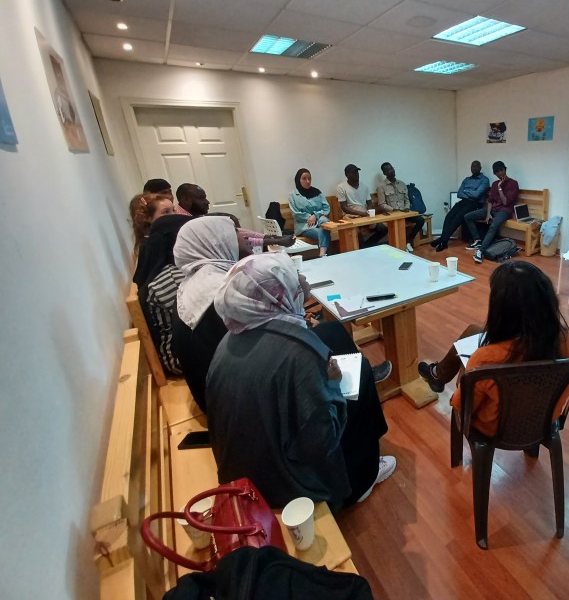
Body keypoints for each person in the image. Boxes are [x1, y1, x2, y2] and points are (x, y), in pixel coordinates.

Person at [207, 253, 396, 510]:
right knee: (360, 374)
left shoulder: (232, 335)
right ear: (277, 294)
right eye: (295, 276)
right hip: (288, 486)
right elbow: (321, 441)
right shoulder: (300, 353)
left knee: (334, 335)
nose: (303, 278)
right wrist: (332, 383)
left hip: (248, 467)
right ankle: (362, 479)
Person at [417, 261, 569, 436]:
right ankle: (438, 375)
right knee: (474, 330)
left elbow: (462, 406)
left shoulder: (486, 358)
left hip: (495, 427)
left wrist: (463, 381)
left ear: (502, 310)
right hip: (545, 418)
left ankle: (438, 375)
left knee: (469, 366)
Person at [170, 216, 240, 411]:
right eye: (234, 233)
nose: (242, 238)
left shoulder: (197, 282)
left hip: (209, 393)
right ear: (216, 242)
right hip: (229, 405)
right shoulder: (222, 292)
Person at [132, 214, 193, 376]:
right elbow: (198, 325)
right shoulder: (173, 280)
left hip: (182, 352)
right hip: (180, 360)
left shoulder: (168, 270)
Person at [463, 161, 519, 264]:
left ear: (505, 169)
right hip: (493, 210)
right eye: (497, 172)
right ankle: (478, 240)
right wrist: (488, 213)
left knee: (493, 225)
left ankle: (480, 251)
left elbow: (505, 202)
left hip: (504, 211)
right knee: (468, 216)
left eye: (501, 170)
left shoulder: (513, 184)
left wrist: (500, 188)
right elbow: (490, 201)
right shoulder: (494, 184)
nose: (500, 173)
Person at [430, 160, 490, 251]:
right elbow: (459, 193)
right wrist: (471, 192)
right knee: (449, 216)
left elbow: (477, 195)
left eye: (476, 166)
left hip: (475, 204)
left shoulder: (484, 180)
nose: (474, 168)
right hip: (464, 201)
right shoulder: (467, 179)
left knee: (458, 217)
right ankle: (444, 241)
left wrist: (466, 191)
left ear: (480, 168)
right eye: (472, 166)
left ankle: (443, 240)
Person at [376, 161, 424, 253]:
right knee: (395, 225)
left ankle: (408, 240)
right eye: (388, 170)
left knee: (420, 220)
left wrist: (406, 208)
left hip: (404, 213)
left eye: (392, 168)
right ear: (384, 173)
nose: (391, 171)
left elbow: (407, 199)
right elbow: (382, 204)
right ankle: (399, 246)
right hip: (392, 215)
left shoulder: (402, 184)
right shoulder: (381, 186)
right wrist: (394, 210)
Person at [337, 164, 386, 248]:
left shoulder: (364, 187)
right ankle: (364, 250)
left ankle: (367, 246)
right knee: (356, 233)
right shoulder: (341, 187)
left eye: (357, 172)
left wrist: (368, 212)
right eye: (353, 172)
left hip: (364, 215)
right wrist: (361, 213)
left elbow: (369, 203)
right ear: (347, 175)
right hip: (350, 216)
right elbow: (344, 208)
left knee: (383, 229)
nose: (356, 174)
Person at [288, 168, 331, 257]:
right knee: (323, 232)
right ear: (298, 180)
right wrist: (309, 217)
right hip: (305, 226)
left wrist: (315, 215)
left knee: (325, 227)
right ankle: (323, 254)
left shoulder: (317, 192)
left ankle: (323, 254)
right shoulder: (292, 195)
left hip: (321, 222)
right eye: (304, 179)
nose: (307, 181)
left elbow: (326, 208)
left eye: (309, 179)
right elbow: (295, 213)